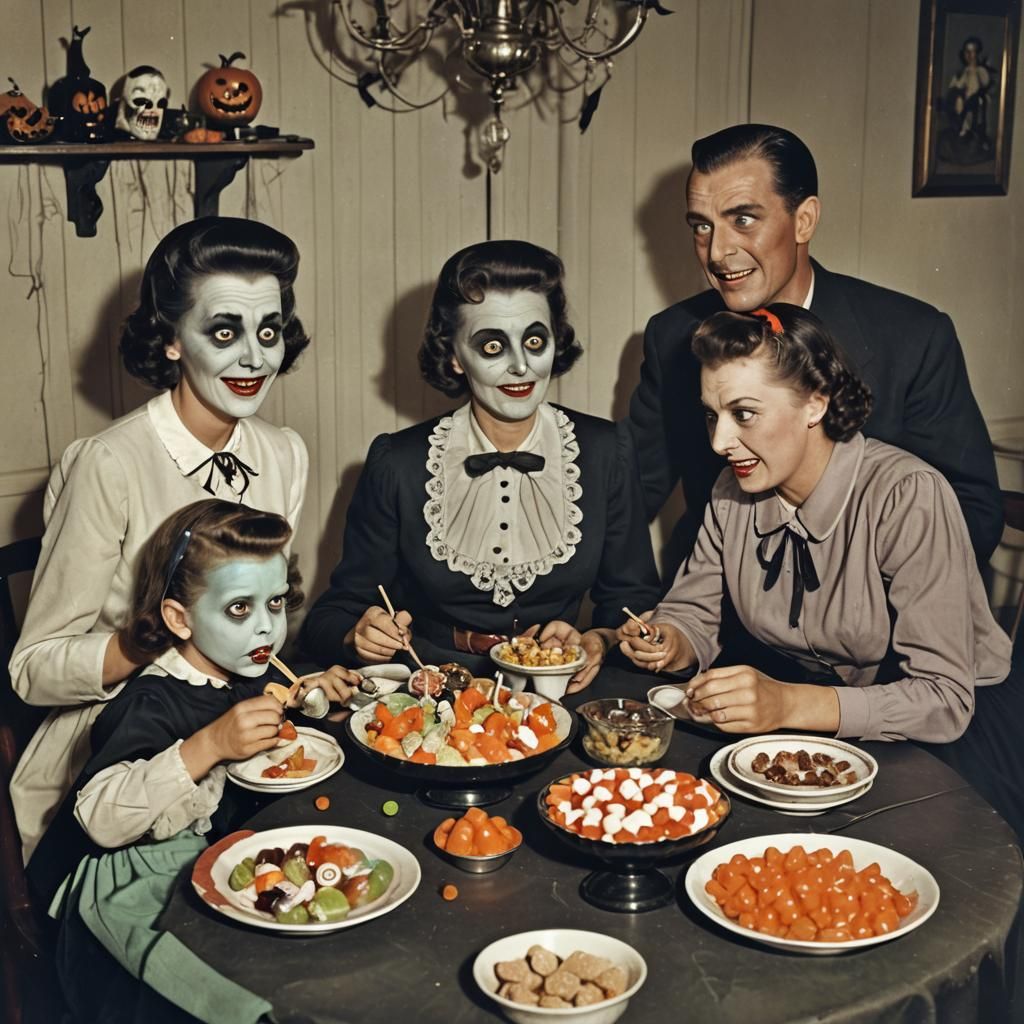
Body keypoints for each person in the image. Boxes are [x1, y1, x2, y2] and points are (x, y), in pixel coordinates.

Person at [619, 304, 1018, 834]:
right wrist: (671, 639)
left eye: (744, 414)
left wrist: (787, 703)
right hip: (823, 717)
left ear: (815, 403)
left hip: (954, 733)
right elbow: (695, 610)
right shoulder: (732, 490)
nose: (719, 442)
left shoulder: (907, 495)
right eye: (712, 415)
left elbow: (942, 699)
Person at [10, 216, 314, 862]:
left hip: (240, 754)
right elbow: (31, 670)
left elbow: (255, 622)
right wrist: (146, 639)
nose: (255, 358)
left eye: (268, 331)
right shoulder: (107, 464)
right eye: (225, 332)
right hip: (111, 773)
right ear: (172, 340)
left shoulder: (284, 454)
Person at [626, 123, 1002, 577]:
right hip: (715, 603)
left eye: (743, 219)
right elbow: (629, 495)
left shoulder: (913, 337)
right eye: (703, 226)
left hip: (872, 607)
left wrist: (854, 594)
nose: (717, 253)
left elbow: (972, 512)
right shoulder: (672, 337)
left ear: (804, 220)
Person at [29, 499, 353, 1024]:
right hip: (132, 884)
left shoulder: (248, 666)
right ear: (179, 619)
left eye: (275, 602)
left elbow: (282, 718)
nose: (266, 629)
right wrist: (210, 745)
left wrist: (315, 698)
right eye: (240, 609)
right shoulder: (152, 699)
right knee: (230, 993)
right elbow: (98, 818)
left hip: (217, 852)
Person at [301, 240, 660, 690]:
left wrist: (599, 640)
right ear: (454, 355)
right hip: (431, 688)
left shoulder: (607, 449)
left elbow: (631, 601)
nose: (521, 366)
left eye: (534, 341)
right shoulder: (399, 462)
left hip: (556, 687)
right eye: (492, 346)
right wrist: (358, 635)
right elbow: (332, 614)